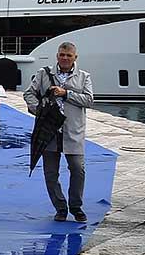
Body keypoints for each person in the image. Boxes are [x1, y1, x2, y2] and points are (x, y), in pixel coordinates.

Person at [23, 42, 93, 222]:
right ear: (57, 56)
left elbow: (89, 100)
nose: (65, 58)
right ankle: (60, 207)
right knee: (51, 173)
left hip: (73, 131)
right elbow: (29, 93)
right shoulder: (43, 74)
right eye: (62, 54)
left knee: (78, 169)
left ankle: (76, 206)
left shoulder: (84, 77)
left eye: (69, 55)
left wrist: (66, 93)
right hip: (49, 131)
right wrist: (38, 109)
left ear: (75, 58)